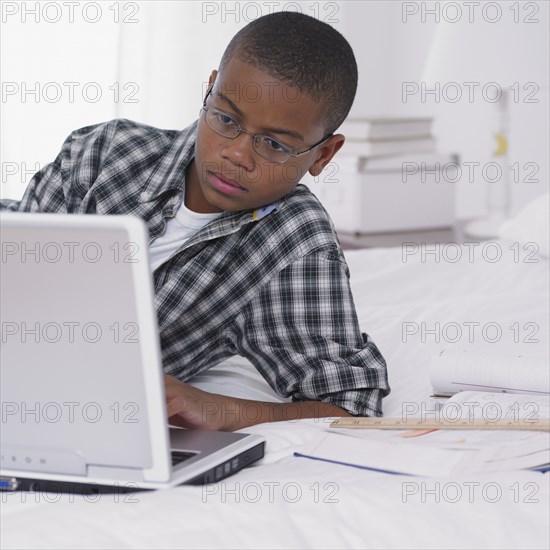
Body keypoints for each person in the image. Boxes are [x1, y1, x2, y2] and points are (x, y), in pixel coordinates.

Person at [0, 11, 390, 430]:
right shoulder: (104, 151)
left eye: (274, 144)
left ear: (323, 155)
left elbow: (350, 404)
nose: (237, 155)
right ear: (210, 90)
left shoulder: (294, 242)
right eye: (226, 119)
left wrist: (222, 409)